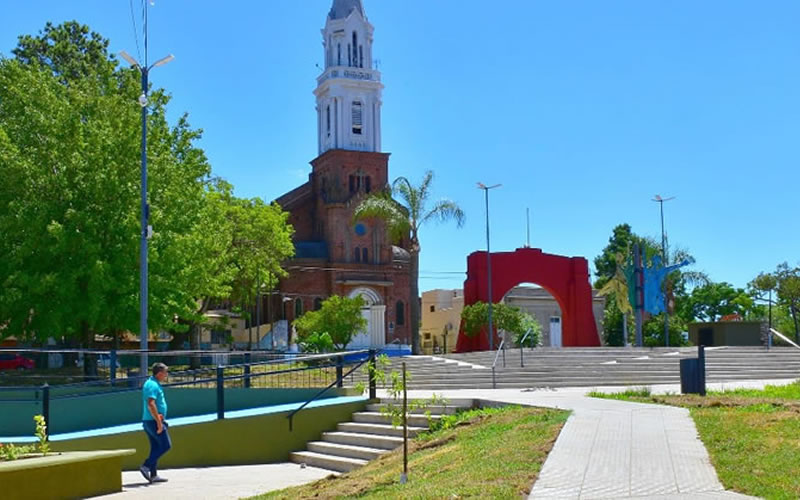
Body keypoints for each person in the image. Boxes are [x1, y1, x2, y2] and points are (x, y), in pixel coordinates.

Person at [140, 362, 171, 483]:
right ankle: (146, 466)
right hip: (153, 422)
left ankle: (153, 475)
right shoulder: (152, 385)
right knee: (165, 445)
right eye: (165, 373)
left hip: (150, 421)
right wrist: (159, 422)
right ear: (159, 373)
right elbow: (150, 404)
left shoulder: (153, 383)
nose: (166, 375)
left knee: (155, 447)